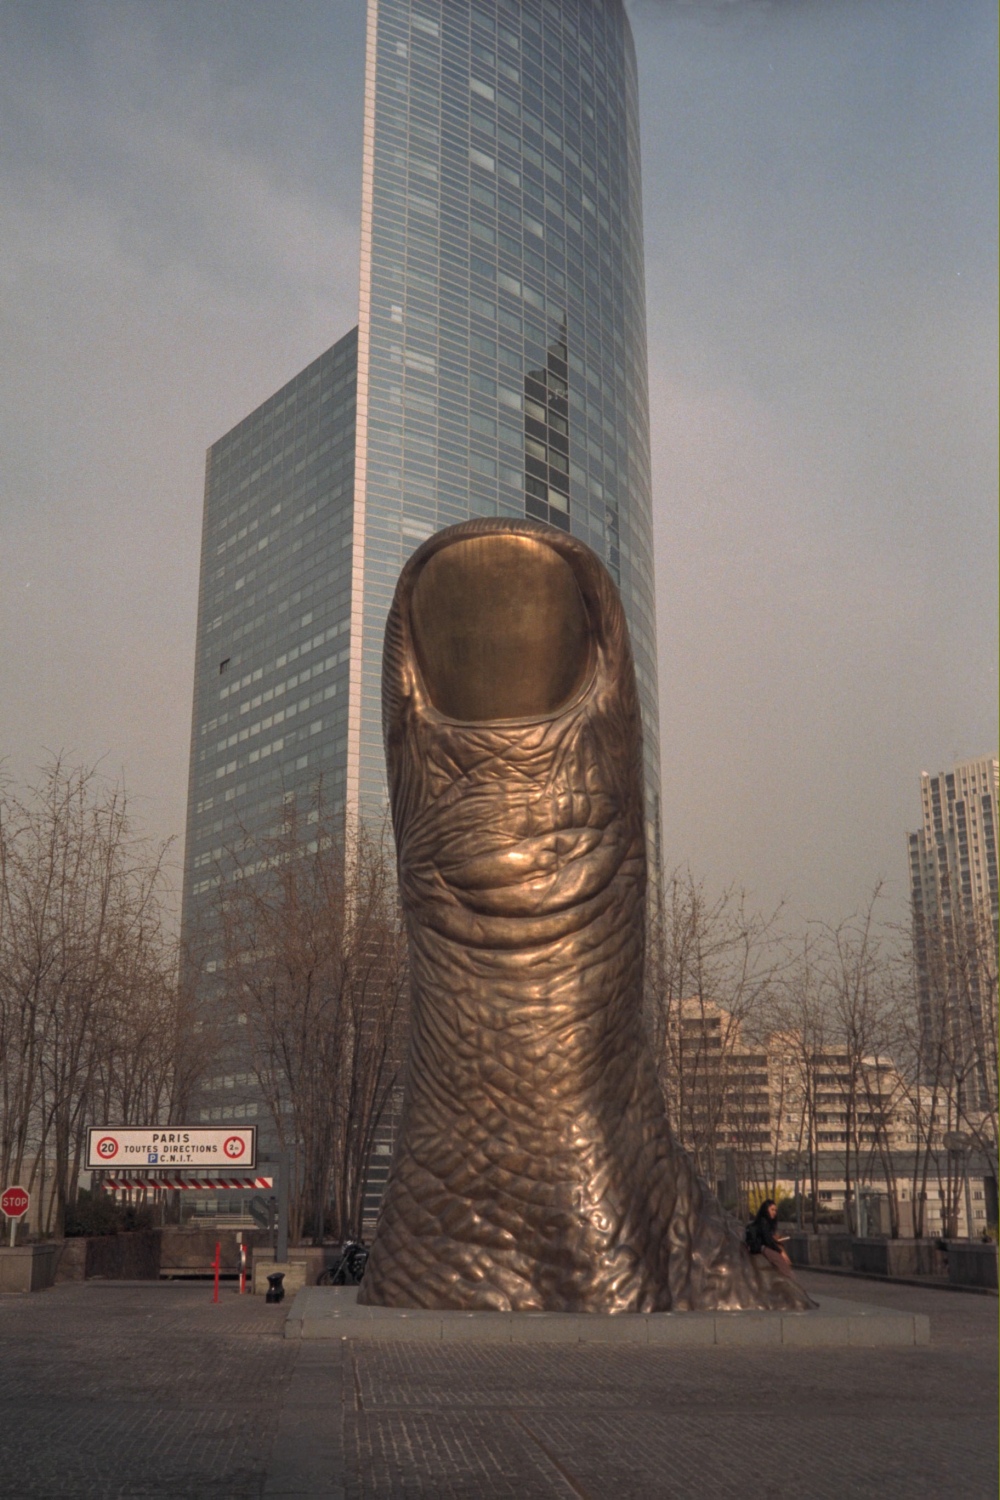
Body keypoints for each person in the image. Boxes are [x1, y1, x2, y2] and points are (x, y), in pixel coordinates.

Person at [746, 1199, 797, 1280]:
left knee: (781, 1252)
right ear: (766, 1210)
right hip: (761, 1247)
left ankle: (789, 1274)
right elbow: (767, 1240)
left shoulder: (766, 1222)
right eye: (772, 1210)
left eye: (775, 1210)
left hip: (764, 1245)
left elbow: (768, 1238)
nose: (774, 1212)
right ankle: (790, 1277)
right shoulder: (763, 1222)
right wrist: (780, 1252)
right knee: (779, 1259)